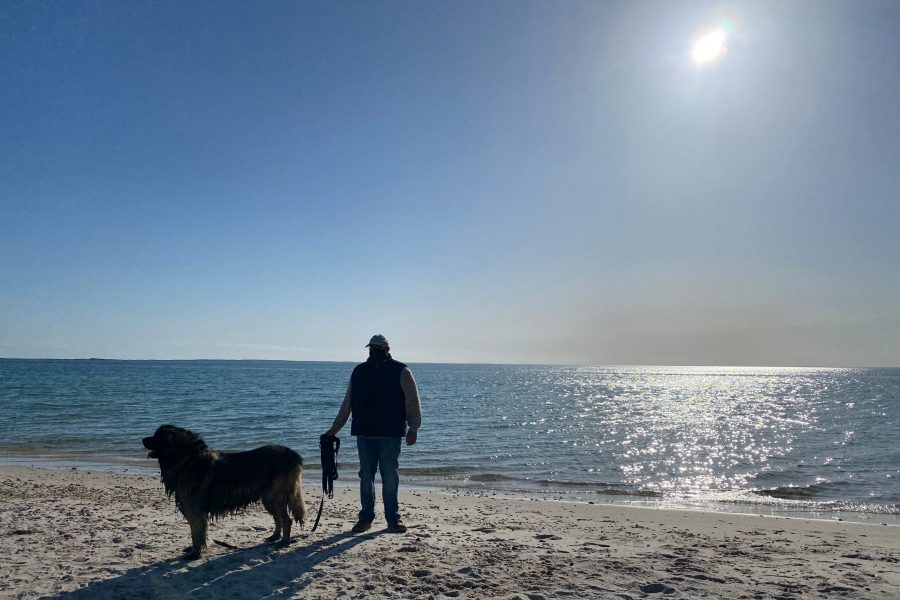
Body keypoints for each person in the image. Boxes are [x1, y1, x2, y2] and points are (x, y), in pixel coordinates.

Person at [323, 334, 422, 533]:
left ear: (387, 348)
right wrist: (332, 431)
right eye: (372, 348)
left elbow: (412, 401)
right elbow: (347, 404)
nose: (374, 351)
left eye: (378, 348)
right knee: (365, 477)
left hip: (390, 435)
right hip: (364, 434)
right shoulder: (359, 371)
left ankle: (392, 519)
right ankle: (366, 518)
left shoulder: (401, 371)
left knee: (390, 477)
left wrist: (413, 428)